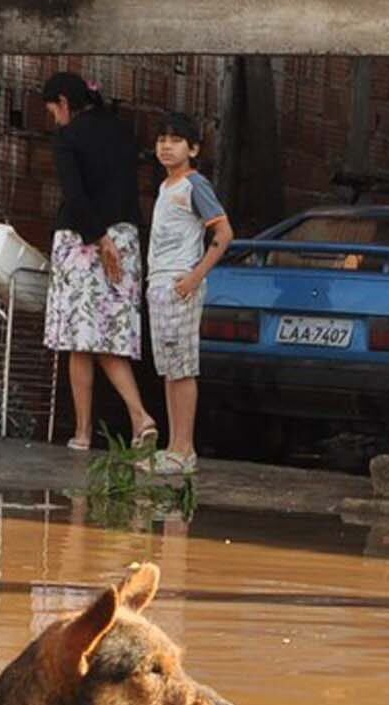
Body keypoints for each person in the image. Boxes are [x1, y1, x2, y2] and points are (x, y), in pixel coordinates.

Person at [38, 72, 155, 452]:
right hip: (125, 240)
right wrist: (112, 239)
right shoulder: (123, 132)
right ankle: (132, 419)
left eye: (53, 109)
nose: (54, 117)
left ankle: (92, 430)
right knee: (109, 337)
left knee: (80, 340)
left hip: (83, 243)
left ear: (64, 102)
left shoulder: (68, 137)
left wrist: (97, 238)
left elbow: (75, 194)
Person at [143, 111, 232, 476]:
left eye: (175, 140)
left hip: (180, 283)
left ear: (193, 149)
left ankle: (184, 449)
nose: (166, 146)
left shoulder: (195, 185)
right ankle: (172, 447)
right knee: (169, 368)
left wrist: (194, 277)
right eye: (162, 139)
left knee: (182, 368)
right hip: (160, 284)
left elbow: (224, 234)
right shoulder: (165, 187)